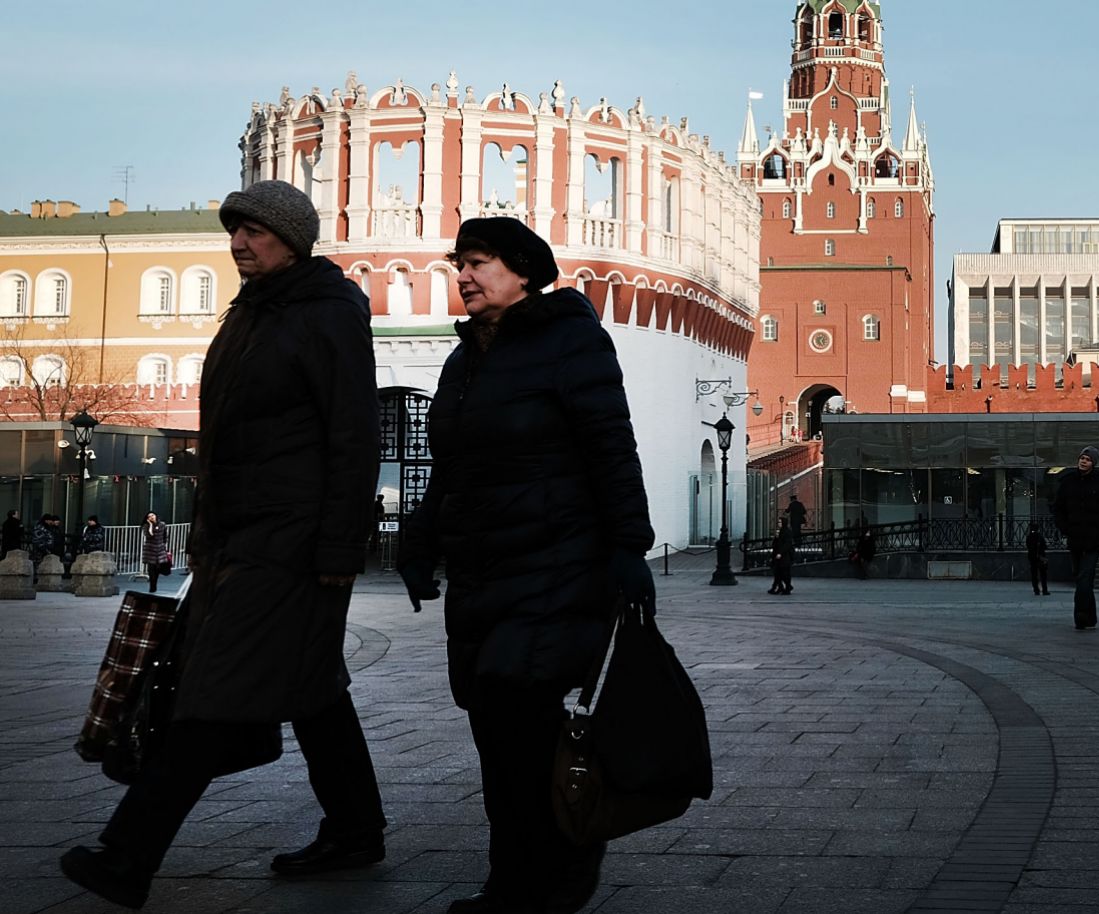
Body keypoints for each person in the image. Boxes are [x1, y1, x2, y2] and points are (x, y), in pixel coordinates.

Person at [60, 179, 387, 909]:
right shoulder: (250, 314)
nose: (239, 243)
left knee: (210, 695)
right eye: (233, 231)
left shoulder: (326, 314)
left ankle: (127, 854)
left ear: (292, 238)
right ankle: (357, 829)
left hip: (291, 544)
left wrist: (339, 546)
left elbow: (354, 435)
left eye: (255, 232)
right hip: (238, 540)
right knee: (315, 691)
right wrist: (207, 537)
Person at [399, 216, 654, 914]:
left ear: (521, 269)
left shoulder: (570, 340)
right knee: (493, 731)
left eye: (478, 262)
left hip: (556, 563)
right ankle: (512, 879)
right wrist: (419, 542)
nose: (464, 276)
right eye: (460, 264)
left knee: (523, 723)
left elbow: (610, 445)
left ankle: (556, 873)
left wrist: (630, 546)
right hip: (483, 573)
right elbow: (447, 469)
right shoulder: (464, 360)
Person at [1053, 445, 1099, 630]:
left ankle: (1080, 617)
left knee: (1084, 577)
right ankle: (1091, 617)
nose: (1083, 461)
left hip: (1094, 539)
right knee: (1082, 578)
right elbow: (1058, 508)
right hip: (1074, 538)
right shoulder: (1068, 481)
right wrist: (1064, 528)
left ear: (1093, 463)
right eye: (1082, 457)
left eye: (1088, 459)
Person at [141, 513, 171, 593]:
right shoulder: (146, 526)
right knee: (151, 569)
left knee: (157, 569)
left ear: (156, 516)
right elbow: (149, 535)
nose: (151, 517)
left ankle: (154, 584)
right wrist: (150, 525)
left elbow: (165, 536)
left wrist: (164, 544)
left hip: (160, 549)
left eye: (153, 515)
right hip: (150, 550)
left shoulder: (162, 524)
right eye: (149, 516)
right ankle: (152, 587)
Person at [769, 518, 795, 595]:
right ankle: (780, 587)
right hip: (777, 555)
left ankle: (787, 587)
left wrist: (780, 553)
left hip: (784, 556)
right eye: (778, 522)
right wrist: (776, 537)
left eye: (780, 522)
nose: (779, 523)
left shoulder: (787, 532)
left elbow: (787, 544)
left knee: (784, 573)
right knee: (777, 572)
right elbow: (775, 544)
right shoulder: (780, 532)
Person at [1025, 521, 1050, 596]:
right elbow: (1045, 546)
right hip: (1041, 557)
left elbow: (1028, 546)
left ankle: (1036, 590)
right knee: (1043, 574)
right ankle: (1044, 590)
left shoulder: (1029, 537)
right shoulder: (1040, 537)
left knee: (1034, 574)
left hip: (1032, 558)